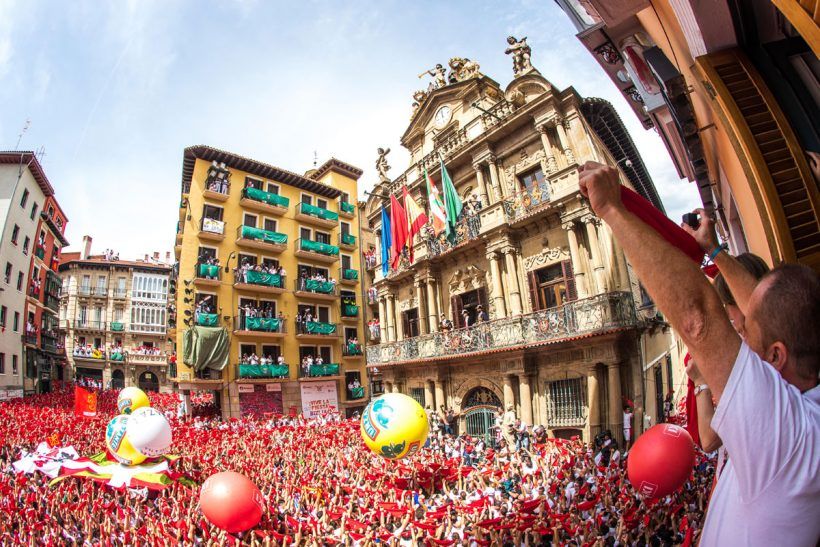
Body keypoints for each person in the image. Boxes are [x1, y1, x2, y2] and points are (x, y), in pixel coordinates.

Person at [579, 160, 820, 545]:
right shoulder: (803, 402)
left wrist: (611, 210)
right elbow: (765, 306)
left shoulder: (787, 431)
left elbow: (699, 319)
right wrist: (714, 250)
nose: (737, 331)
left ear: (776, 356)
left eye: (744, 331)